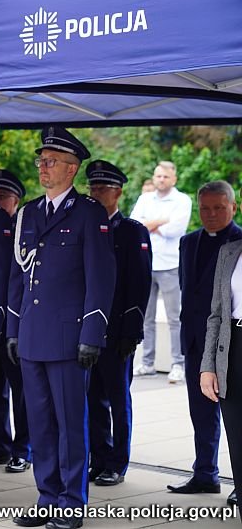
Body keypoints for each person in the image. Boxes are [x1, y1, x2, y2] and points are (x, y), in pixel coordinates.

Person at [8, 126, 115, 529]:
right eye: (41, 161)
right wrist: (15, 328)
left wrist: (92, 333)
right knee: (39, 422)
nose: (42, 167)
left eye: (50, 161)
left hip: (70, 339)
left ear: (71, 168)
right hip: (34, 336)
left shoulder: (88, 214)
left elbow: (100, 278)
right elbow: (18, 277)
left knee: (71, 424)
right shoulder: (30, 213)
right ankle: (47, 496)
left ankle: (71, 502)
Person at [171, 181, 241, 501]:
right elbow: (189, 291)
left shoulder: (239, 243)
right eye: (204, 208)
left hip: (229, 343)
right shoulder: (188, 242)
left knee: (235, 419)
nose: (210, 214)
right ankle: (205, 474)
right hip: (196, 341)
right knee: (200, 413)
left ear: (233, 207)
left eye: (218, 208)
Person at [85, 161, 152, 486]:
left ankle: (117, 462)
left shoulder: (131, 230)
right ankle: (99, 457)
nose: (97, 194)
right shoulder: (87, 226)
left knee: (117, 399)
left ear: (118, 192)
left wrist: (132, 331)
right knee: (92, 399)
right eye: (93, 188)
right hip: (90, 332)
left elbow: (139, 284)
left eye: (103, 188)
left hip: (117, 333)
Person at [0, 169, 32, 473]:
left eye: (3, 196)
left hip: (15, 323)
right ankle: (0, 444)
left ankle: (22, 448)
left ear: (16, 201)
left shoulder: (22, 230)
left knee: (21, 392)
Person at [130, 161, 192, 382]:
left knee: (175, 317)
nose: (161, 180)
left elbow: (176, 228)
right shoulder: (145, 199)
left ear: (173, 179)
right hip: (145, 265)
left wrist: (151, 225)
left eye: (165, 177)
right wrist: (160, 221)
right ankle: (147, 363)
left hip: (170, 266)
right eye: (157, 176)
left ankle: (178, 363)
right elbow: (135, 225)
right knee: (145, 318)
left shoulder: (182, 200)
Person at [200, 185, 242, 509]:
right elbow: (216, 314)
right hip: (234, 351)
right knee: (238, 443)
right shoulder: (230, 251)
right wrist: (207, 367)